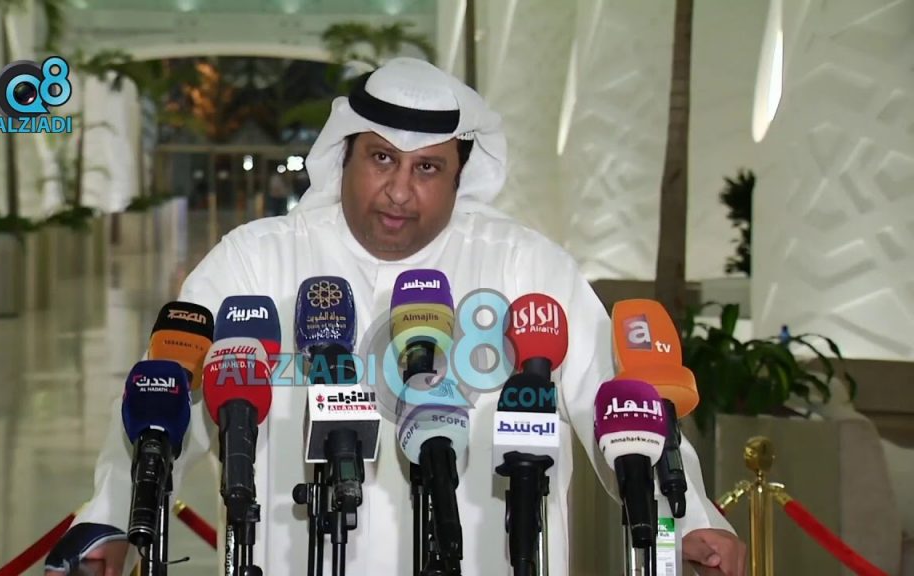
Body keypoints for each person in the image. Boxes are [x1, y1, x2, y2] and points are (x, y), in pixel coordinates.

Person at [45, 57, 746, 575]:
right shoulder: (256, 260)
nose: (400, 191)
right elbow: (166, 393)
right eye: (382, 158)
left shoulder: (525, 265)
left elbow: (619, 404)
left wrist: (690, 520)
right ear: (345, 155)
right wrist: (110, 518)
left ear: (460, 174)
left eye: (427, 168)